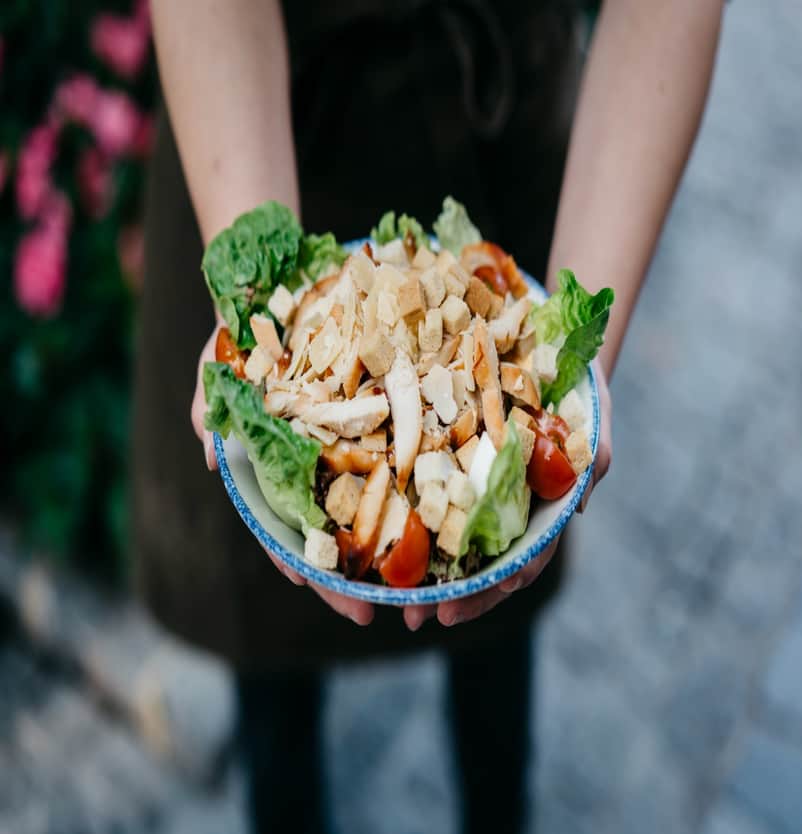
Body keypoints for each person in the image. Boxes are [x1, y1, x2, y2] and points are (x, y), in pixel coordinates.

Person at [134, 1, 724, 831]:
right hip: (257, 123)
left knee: (495, 620)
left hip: (500, 133)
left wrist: (564, 373)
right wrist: (260, 303)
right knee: (268, 659)